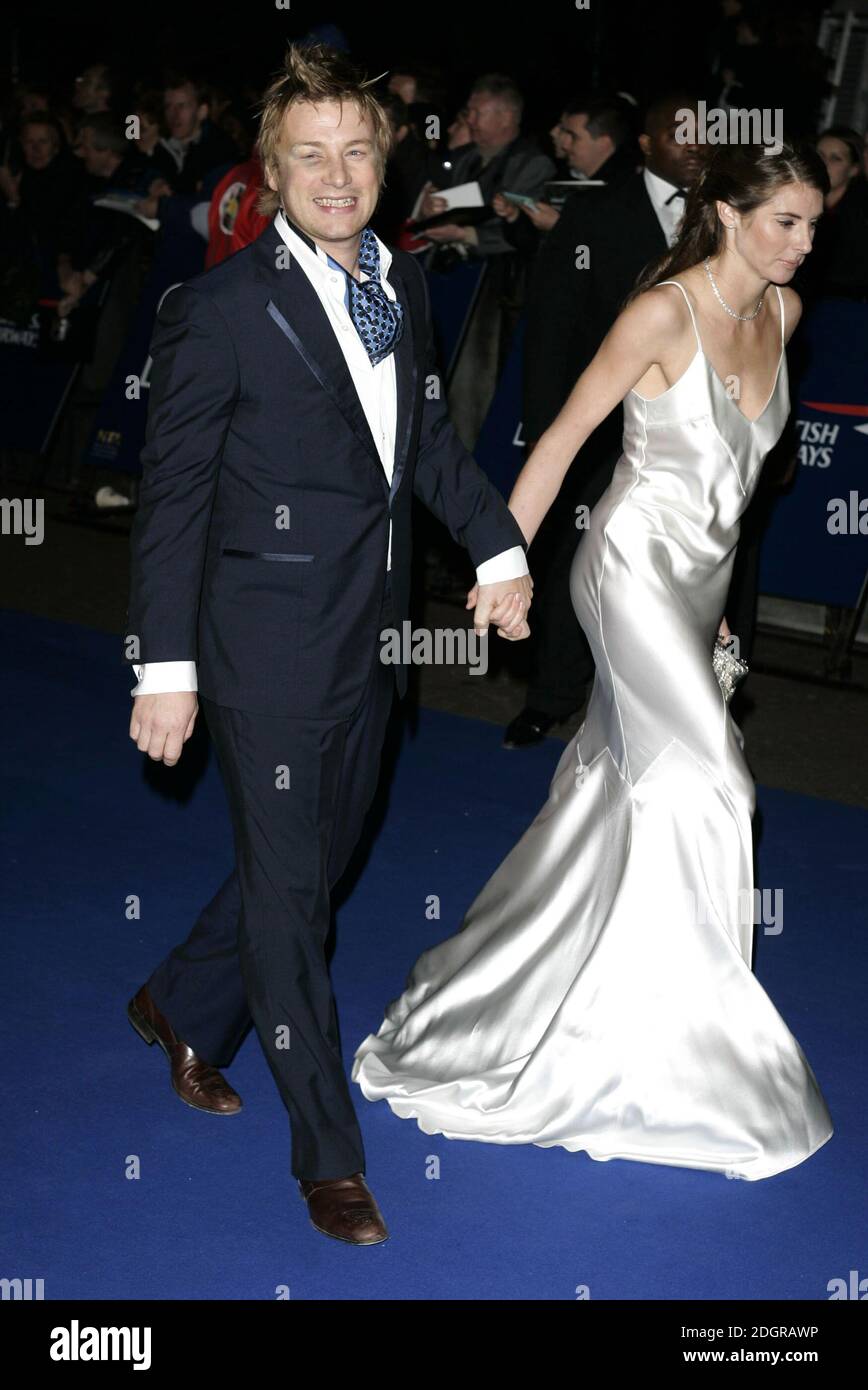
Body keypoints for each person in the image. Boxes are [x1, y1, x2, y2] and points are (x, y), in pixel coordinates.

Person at [353, 141, 835, 1184]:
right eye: (786, 222)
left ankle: (518, 990)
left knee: (624, 796)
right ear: (727, 213)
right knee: (711, 787)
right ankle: (686, 1050)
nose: (804, 243)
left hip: (693, 588)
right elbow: (564, 435)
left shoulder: (784, 316)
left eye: (812, 224)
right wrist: (500, 557)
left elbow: (739, 493)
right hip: (624, 573)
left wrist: (712, 615)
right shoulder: (663, 311)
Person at [124, 42, 533, 1248]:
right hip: (261, 651)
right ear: (271, 170)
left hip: (378, 642)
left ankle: (177, 1000)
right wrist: (164, 667)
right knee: (299, 902)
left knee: (316, 859)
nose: (338, 174)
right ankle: (328, 1154)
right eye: (311, 155)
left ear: (386, 161)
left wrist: (500, 551)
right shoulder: (214, 310)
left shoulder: (397, 286)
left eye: (357, 150)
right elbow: (174, 500)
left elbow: (425, 454)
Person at [505, 91, 704, 747]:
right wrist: (543, 429)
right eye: (680, 131)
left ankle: (678, 707)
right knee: (575, 558)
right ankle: (554, 694)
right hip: (599, 427)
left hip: (695, 430)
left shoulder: (731, 216)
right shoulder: (594, 212)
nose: (697, 142)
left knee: (685, 570)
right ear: (644, 143)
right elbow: (551, 327)